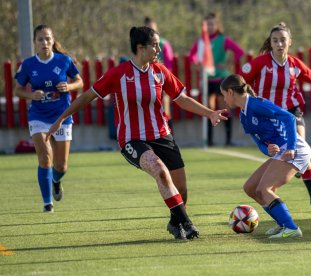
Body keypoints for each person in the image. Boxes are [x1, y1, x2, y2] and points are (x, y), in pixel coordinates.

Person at [46, 26, 227, 240]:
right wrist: (60, 119)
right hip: (132, 139)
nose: (158, 49)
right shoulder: (118, 74)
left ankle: (174, 221)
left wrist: (210, 113)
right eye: (155, 45)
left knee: (181, 189)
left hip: (162, 135)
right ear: (141, 48)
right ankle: (187, 224)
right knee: (160, 170)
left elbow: (182, 99)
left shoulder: (160, 72)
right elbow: (86, 97)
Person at [240, 22, 311, 212]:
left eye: (283, 40)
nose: (279, 44)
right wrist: (252, 99)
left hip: (291, 112)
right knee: (283, 153)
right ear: (270, 43)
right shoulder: (260, 63)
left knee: (299, 147)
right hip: (268, 117)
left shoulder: (295, 65)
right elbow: (240, 82)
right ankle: (272, 191)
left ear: (290, 42)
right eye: (275, 41)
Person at [220, 74, 308, 239]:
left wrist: (291, 147)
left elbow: (289, 117)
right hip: (282, 150)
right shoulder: (244, 115)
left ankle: (291, 228)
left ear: (231, 92)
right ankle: (282, 224)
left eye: (224, 95)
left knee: (264, 189)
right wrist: (266, 150)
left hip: (296, 149)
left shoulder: (256, 104)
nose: (224, 100)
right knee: (251, 188)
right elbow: (260, 143)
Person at [14, 24, 84, 213]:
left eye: (48, 39)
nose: (44, 42)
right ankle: (47, 204)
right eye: (40, 39)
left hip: (61, 115)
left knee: (61, 165)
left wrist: (68, 87)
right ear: (35, 42)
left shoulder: (64, 61)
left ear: (53, 41)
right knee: (45, 158)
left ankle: (56, 180)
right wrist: (31, 95)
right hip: (38, 116)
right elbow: (17, 90)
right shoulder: (28, 64)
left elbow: (80, 82)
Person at [188, 12, 245, 146]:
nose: (210, 26)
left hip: (222, 79)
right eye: (207, 24)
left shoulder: (223, 40)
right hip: (207, 80)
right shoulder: (201, 42)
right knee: (208, 109)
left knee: (224, 108)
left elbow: (239, 52)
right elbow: (191, 57)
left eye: (212, 24)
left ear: (217, 25)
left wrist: (228, 62)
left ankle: (228, 140)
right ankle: (209, 141)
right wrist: (197, 65)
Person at [144, 16, 175, 130]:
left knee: (164, 108)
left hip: (160, 81)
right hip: (145, 82)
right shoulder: (141, 46)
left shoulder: (164, 44)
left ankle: (170, 136)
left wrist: (164, 80)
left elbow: (169, 64)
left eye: (153, 29)